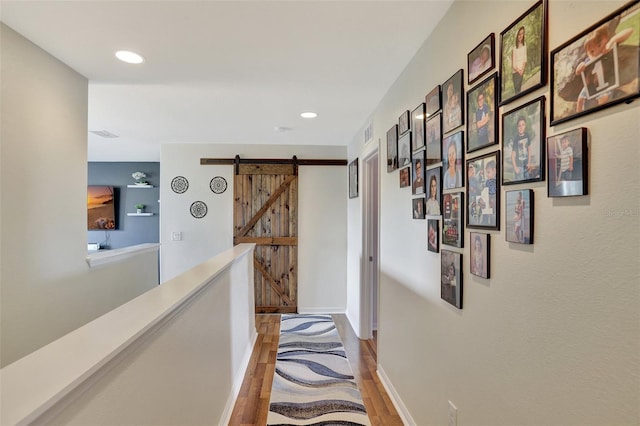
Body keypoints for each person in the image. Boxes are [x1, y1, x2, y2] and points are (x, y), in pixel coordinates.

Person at [575, 24, 633, 112]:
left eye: (599, 45)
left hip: (606, 84)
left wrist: (612, 42)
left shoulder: (608, 52)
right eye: (591, 52)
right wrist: (580, 68)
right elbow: (578, 72)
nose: (595, 53)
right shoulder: (588, 60)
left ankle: (600, 113)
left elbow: (630, 30)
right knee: (580, 99)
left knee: (604, 98)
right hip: (592, 85)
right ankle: (578, 116)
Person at [510, 116, 533, 181]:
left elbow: (529, 150)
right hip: (519, 167)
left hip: (526, 166)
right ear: (517, 127)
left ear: (525, 126)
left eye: (523, 125)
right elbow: (513, 155)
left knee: (528, 182)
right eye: (519, 125)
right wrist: (515, 168)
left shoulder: (527, 135)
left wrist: (529, 162)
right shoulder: (516, 139)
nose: (521, 127)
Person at [511, 26, 527, 95]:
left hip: (521, 71)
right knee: (517, 92)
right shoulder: (514, 49)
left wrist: (522, 70)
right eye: (519, 34)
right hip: (515, 73)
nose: (520, 36)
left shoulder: (524, 46)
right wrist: (519, 71)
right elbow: (514, 65)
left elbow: (525, 59)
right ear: (517, 35)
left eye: (522, 33)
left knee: (519, 90)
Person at [484, 159, 497, 225]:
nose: (487, 174)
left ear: (494, 170)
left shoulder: (497, 181)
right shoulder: (487, 182)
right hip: (489, 201)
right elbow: (486, 192)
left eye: (488, 172)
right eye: (486, 172)